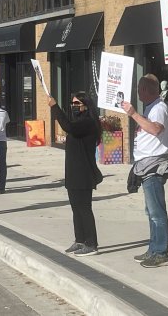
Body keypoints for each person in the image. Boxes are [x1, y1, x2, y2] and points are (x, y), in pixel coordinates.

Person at [121, 74, 168, 268]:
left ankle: (161, 252)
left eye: (139, 90)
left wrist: (134, 114)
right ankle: (153, 248)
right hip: (145, 165)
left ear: (144, 90)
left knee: (157, 212)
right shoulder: (152, 107)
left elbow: (156, 129)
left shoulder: (159, 108)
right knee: (151, 212)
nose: (137, 93)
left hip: (154, 166)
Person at [49, 92, 103, 257]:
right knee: (75, 208)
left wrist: (55, 107)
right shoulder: (79, 121)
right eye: (72, 104)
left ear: (86, 105)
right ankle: (80, 239)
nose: (74, 107)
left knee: (84, 208)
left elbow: (68, 127)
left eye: (77, 104)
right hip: (73, 172)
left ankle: (91, 243)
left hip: (83, 173)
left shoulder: (88, 122)